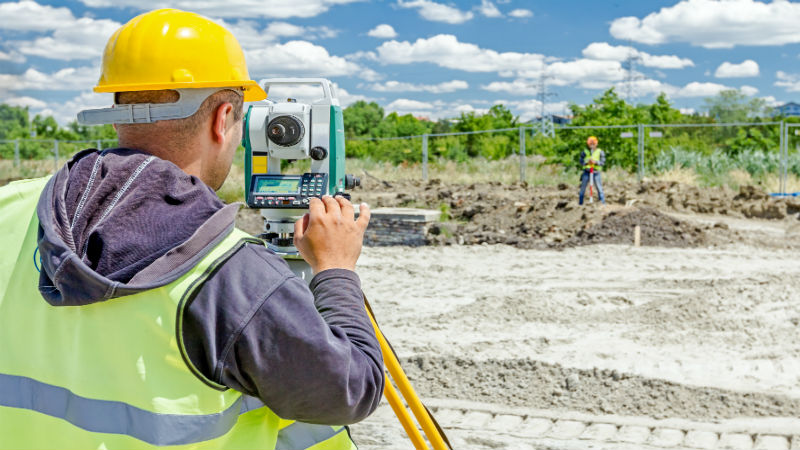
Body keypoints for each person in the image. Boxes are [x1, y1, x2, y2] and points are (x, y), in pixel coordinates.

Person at [0, 9, 383, 449]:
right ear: (224, 118)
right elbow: (349, 390)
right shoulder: (232, 275)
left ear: (117, 110)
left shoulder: (11, 207)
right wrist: (335, 270)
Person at [578, 136, 606, 205]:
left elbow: (602, 162)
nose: (592, 145)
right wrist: (587, 162)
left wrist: (595, 162)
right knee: (582, 189)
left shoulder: (600, 152)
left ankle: (603, 204)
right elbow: (581, 161)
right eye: (590, 143)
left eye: (593, 143)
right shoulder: (585, 152)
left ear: (596, 143)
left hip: (596, 172)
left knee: (599, 188)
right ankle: (580, 204)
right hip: (586, 172)